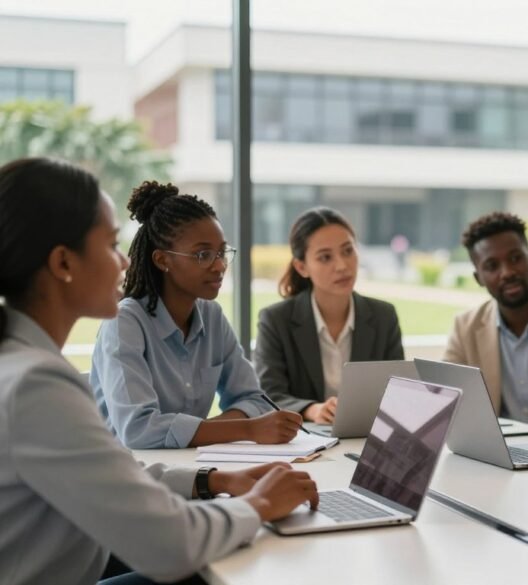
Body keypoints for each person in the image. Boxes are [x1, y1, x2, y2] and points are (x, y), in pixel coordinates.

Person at [0, 158, 318, 585]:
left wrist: (216, 480)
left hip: (82, 555)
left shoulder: (24, 365)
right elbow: (173, 546)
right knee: (223, 569)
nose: (123, 263)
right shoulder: (36, 385)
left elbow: (113, 473)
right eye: (111, 245)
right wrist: (260, 504)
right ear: (63, 264)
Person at [91, 181, 302, 449]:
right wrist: (247, 429)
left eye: (221, 252)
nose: (219, 265)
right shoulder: (124, 323)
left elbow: (255, 400)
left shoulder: (211, 316)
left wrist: (212, 431)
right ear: (162, 260)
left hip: (192, 468)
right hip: (128, 474)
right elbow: (139, 430)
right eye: (203, 254)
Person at [253, 207, 404, 423]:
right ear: (302, 267)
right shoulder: (276, 320)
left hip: (363, 439)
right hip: (303, 444)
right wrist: (311, 410)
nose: (342, 266)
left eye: (348, 251)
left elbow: (398, 393)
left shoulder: (383, 316)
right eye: (325, 257)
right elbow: (268, 395)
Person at [443, 212, 528, 431]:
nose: (507, 272)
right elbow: (450, 402)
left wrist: (527, 450)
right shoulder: (465, 327)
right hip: (493, 451)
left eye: (516, 258)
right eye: (491, 266)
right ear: (478, 278)